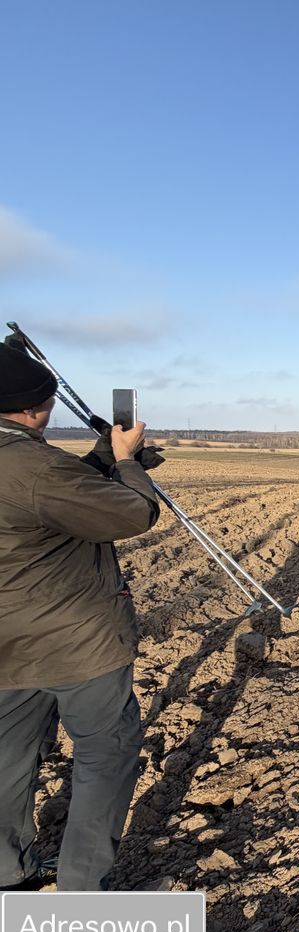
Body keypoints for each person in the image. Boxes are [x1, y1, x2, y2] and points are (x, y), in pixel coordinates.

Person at [0, 342, 161, 891]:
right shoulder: (33, 466)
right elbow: (132, 513)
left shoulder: (30, 465)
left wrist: (98, 459)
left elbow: (44, 499)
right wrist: (124, 463)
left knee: (7, 763)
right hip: (73, 645)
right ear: (30, 410)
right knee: (103, 760)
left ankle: (7, 877)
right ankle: (80, 903)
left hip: (6, 650)